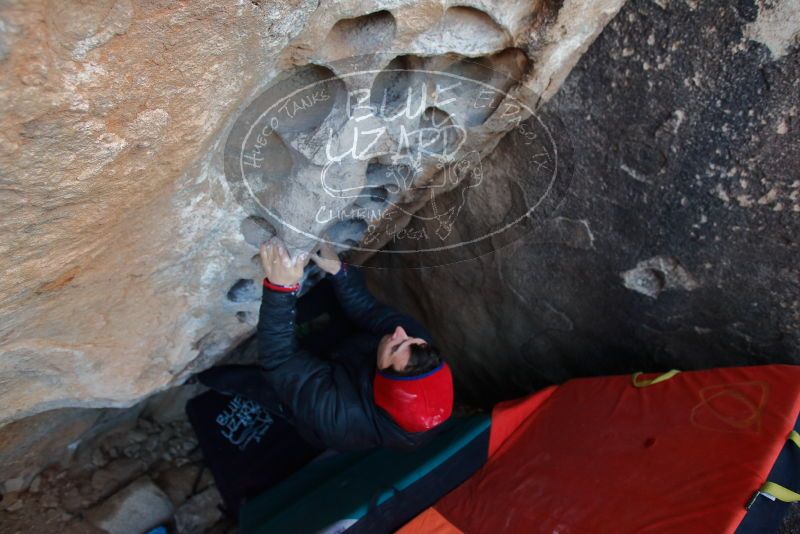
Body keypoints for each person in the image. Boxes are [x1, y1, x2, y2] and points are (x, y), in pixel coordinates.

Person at [202, 237, 454, 451]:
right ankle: (294, 323)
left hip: (316, 405)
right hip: (350, 358)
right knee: (328, 304)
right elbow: (370, 311)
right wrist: (340, 272)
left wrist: (281, 288)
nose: (400, 332)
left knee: (261, 384)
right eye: (409, 338)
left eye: (396, 346)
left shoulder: (338, 418)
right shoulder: (420, 353)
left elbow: (279, 360)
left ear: (383, 377)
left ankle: (205, 377)